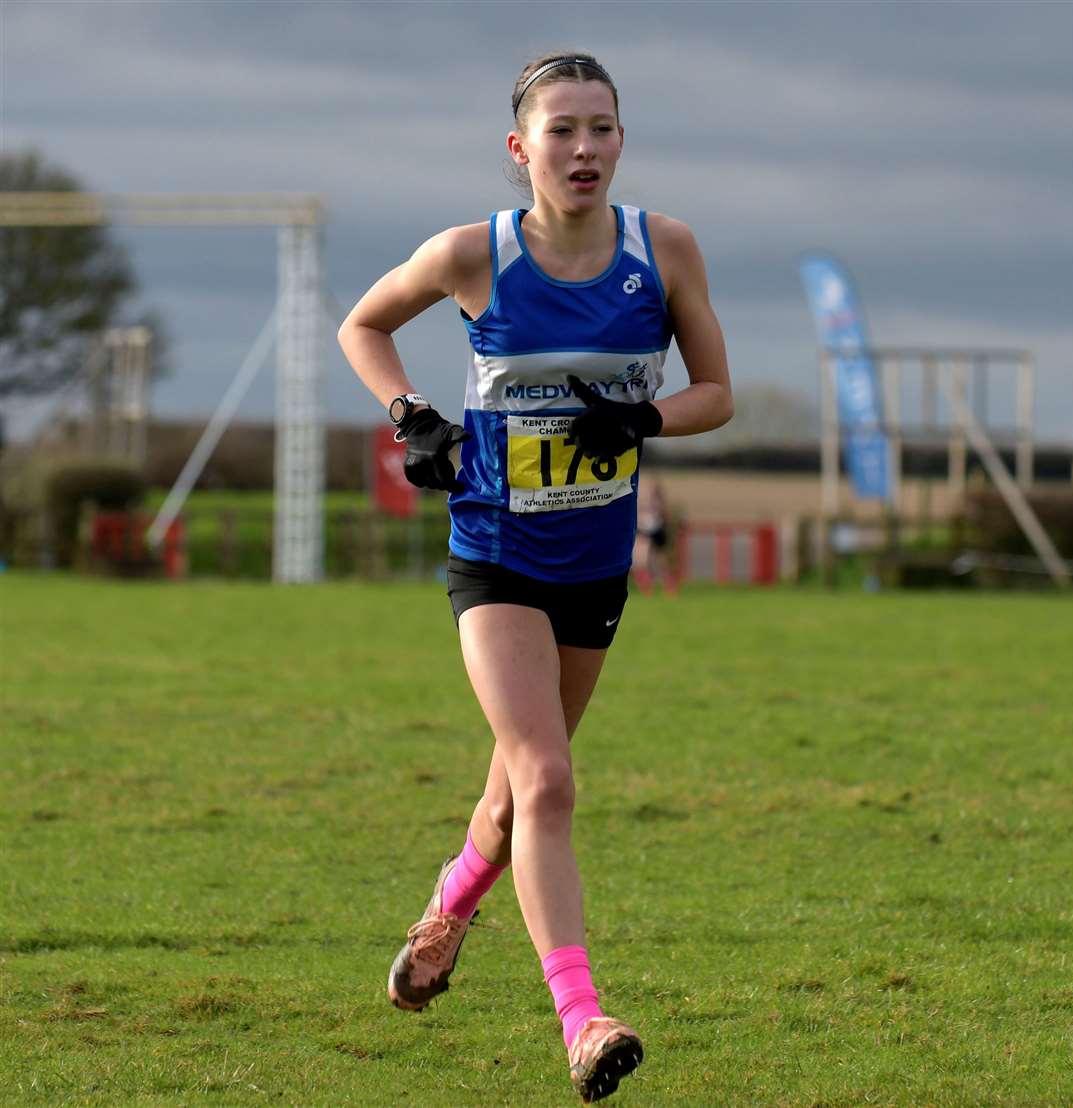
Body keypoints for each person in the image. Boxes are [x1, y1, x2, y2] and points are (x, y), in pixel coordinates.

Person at [337, 51, 733, 1104]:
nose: (585, 148)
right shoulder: (475, 254)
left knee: (516, 793)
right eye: (562, 130)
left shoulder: (666, 250)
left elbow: (718, 393)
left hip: (596, 563)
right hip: (496, 553)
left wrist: (641, 417)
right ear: (523, 150)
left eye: (602, 127)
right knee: (548, 777)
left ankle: (451, 906)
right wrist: (411, 414)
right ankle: (583, 1019)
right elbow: (362, 324)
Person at [632, 476, 674, 594]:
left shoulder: (658, 501)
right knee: (642, 560)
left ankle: (669, 586)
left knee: (660, 559)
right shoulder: (641, 499)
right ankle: (646, 588)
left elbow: (665, 515)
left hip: (656, 529)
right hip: (644, 529)